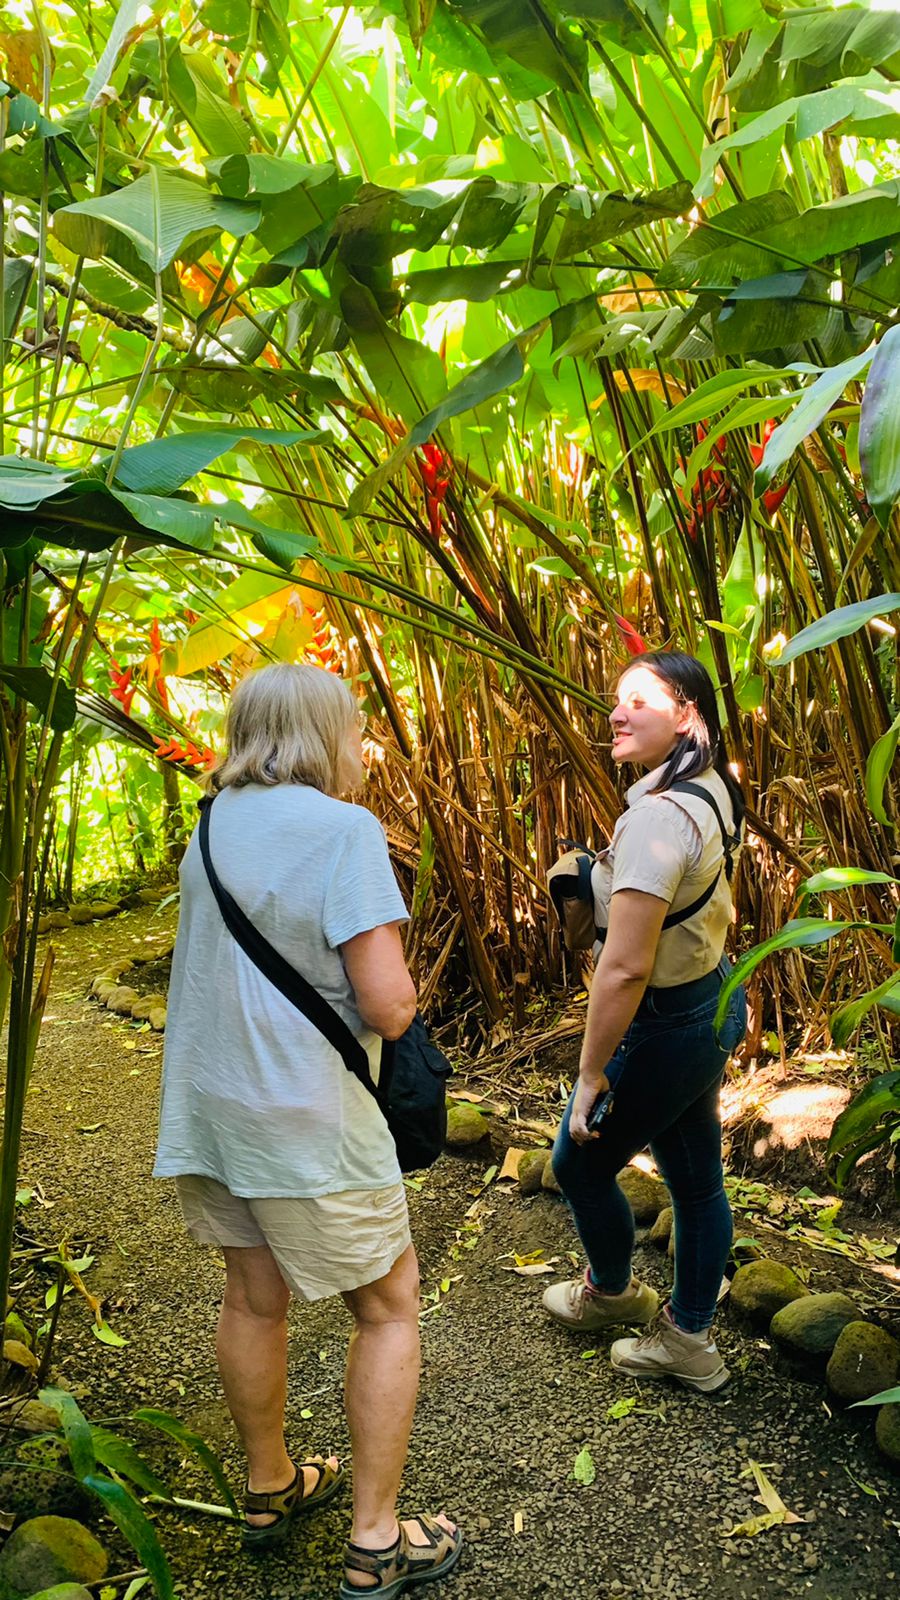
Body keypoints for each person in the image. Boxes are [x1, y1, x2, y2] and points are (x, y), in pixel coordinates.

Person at [153, 663, 461, 1595]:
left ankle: (268, 1485)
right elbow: (388, 1002)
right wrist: (406, 1003)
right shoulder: (343, 829)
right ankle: (376, 1540)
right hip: (304, 1113)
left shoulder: (209, 826)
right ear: (328, 733)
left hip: (213, 1108)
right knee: (389, 1302)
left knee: (252, 1296)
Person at [542, 651, 748, 1394]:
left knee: (577, 1163)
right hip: (712, 1001)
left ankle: (613, 1294)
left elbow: (624, 968)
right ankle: (688, 1335)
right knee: (695, 1184)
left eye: (638, 700)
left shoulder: (659, 819)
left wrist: (592, 1071)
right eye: (614, 701)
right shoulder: (713, 788)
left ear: (687, 711)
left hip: (665, 1025)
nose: (616, 714)